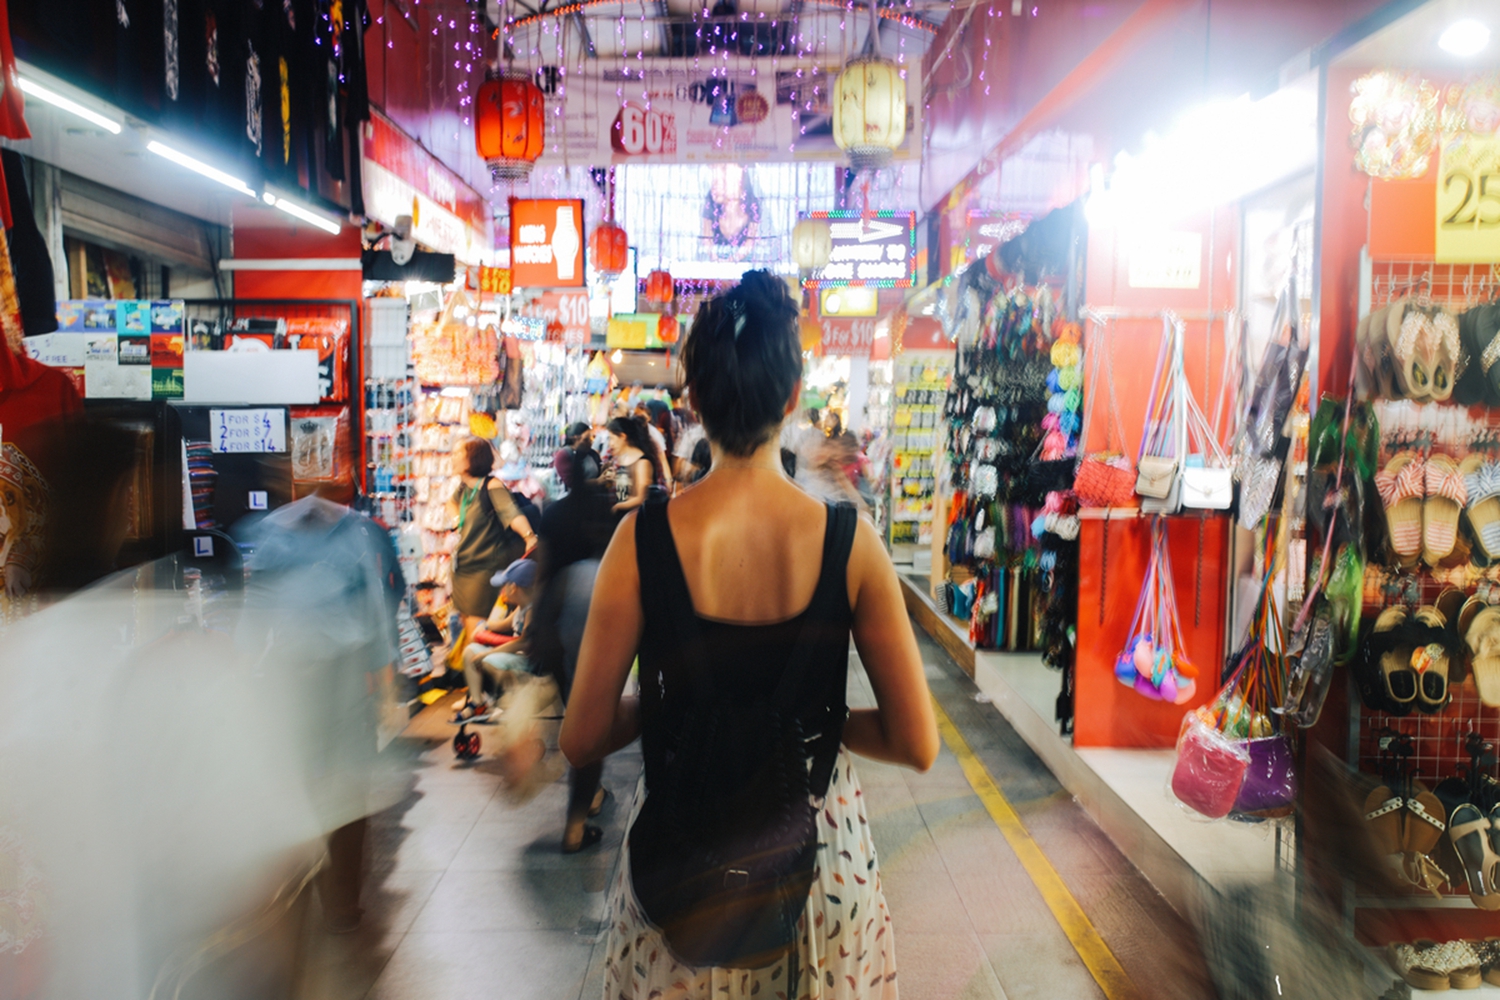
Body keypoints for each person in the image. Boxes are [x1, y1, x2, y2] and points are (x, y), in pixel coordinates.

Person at [562, 270, 937, 997]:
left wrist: (675, 712)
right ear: (793, 400)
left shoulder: (638, 544)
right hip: (817, 867)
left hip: (684, 867)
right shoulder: (849, 543)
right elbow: (916, 743)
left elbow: (580, 738)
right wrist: (810, 723)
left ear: (693, 398)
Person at [531, 447, 617, 852]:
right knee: (593, 718)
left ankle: (590, 795)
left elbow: (543, 571)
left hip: (558, 614)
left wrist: (537, 624)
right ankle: (576, 826)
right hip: (598, 610)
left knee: (573, 710)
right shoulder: (611, 511)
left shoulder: (552, 513)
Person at [449, 437, 537, 632]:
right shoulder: (464, 487)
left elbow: (512, 514)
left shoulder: (492, 486)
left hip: (482, 573)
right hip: (463, 570)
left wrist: (529, 536)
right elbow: (451, 504)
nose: (452, 458)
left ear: (473, 458)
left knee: (477, 632)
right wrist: (457, 521)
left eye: (457, 454)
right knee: (465, 628)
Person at [606, 416, 661, 516]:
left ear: (623, 436)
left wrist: (617, 507)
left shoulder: (642, 463)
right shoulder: (620, 459)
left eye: (612, 438)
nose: (610, 444)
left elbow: (641, 498)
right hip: (623, 517)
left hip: (636, 518)